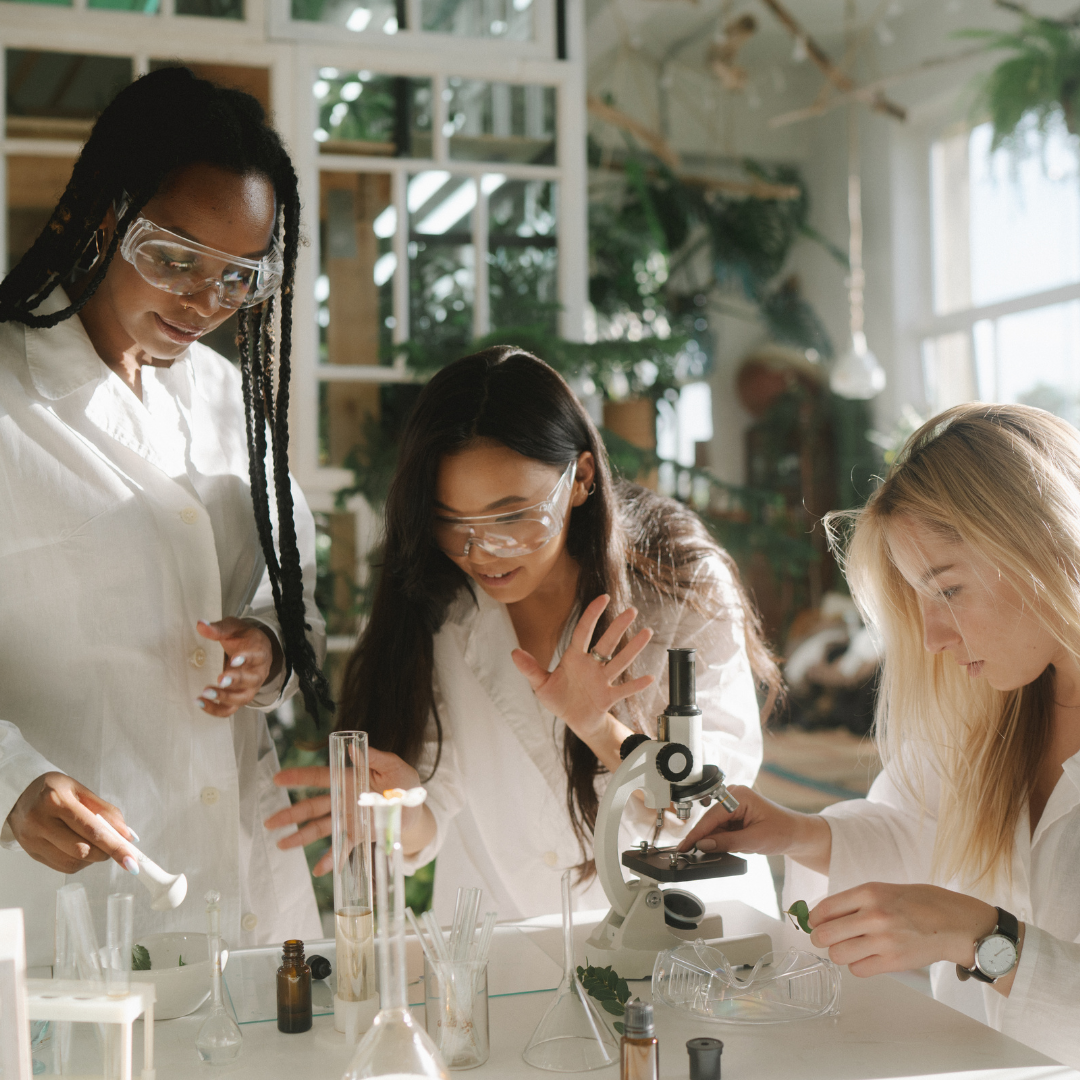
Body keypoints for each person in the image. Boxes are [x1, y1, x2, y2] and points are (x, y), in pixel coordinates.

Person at [0, 66, 332, 964]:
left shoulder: (228, 400)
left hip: (248, 878)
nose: (202, 304)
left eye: (236, 279)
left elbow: (292, 587)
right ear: (99, 214)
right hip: (68, 894)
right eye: (176, 257)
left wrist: (269, 648)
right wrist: (10, 783)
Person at [267, 347, 780, 920]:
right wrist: (403, 811)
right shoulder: (439, 603)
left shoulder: (682, 584)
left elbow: (716, 807)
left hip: (685, 939)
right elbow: (431, 812)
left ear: (581, 478)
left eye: (512, 517)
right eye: (451, 522)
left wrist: (598, 726)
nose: (481, 552)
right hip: (510, 945)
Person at [682, 402, 1080, 1068]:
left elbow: (970, 928)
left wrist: (984, 938)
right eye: (917, 600)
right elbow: (920, 829)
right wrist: (801, 833)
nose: (931, 637)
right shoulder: (990, 707)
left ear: (1040, 544)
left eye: (948, 590)